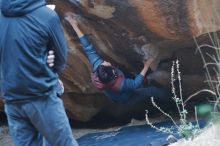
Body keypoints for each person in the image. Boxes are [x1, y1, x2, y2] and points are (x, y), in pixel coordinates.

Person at [0, 0, 78, 146]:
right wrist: (47, 62)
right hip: (42, 97)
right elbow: (61, 59)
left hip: (12, 101)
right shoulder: (47, 16)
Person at [58, 15, 171, 105]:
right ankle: (176, 101)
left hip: (119, 90)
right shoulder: (121, 84)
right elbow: (136, 84)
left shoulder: (98, 66)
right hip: (128, 97)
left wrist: (74, 25)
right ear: (114, 75)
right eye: (107, 65)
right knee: (150, 91)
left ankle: (145, 80)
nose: (106, 62)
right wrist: (146, 66)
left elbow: (87, 47)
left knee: (133, 75)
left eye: (104, 63)